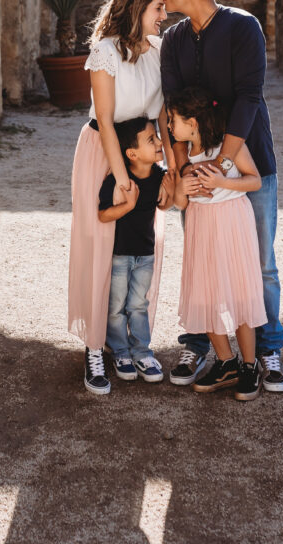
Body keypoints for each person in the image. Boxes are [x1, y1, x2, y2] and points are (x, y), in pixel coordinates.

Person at [161, 0, 283, 393]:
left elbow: (249, 97)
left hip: (250, 159)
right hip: (195, 168)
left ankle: (267, 350)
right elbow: (172, 107)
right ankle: (208, 349)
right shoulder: (174, 38)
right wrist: (182, 171)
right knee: (203, 262)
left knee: (261, 265)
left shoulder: (243, 26)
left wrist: (221, 163)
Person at [68, 0, 175, 395]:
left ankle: (134, 344)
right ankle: (96, 347)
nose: (165, 16)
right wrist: (120, 177)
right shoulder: (105, 52)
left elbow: (163, 119)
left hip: (146, 156)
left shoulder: (161, 51)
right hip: (104, 152)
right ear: (136, 10)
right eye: (157, 9)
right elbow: (108, 121)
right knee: (101, 248)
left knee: (141, 247)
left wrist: (168, 173)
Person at [169, 87, 266, 401]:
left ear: (193, 122)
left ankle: (249, 366)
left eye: (173, 120)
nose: (169, 126)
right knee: (206, 294)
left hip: (233, 223)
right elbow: (181, 204)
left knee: (239, 293)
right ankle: (226, 362)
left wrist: (222, 181)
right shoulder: (184, 151)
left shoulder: (229, 146)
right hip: (202, 226)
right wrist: (181, 187)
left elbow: (255, 180)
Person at [98, 117, 175, 385]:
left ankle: (142, 352)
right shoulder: (117, 181)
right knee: (116, 306)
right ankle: (120, 352)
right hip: (119, 255)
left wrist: (173, 185)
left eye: (156, 137)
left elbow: (169, 202)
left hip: (146, 255)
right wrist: (127, 207)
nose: (158, 144)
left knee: (139, 305)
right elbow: (103, 215)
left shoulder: (160, 176)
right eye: (151, 140)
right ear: (131, 154)